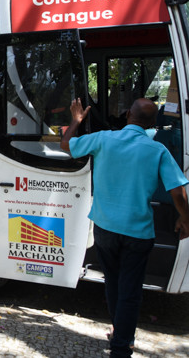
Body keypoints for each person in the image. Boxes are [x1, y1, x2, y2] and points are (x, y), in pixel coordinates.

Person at [61, 97, 189, 357]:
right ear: (153, 124)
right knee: (130, 289)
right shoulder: (157, 150)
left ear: (128, 114)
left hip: (105, 229)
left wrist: (76, 121)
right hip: (138, 233)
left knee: (113, 283)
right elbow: (177, 192)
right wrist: (185, 218)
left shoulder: (104, 138)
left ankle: (120, 332)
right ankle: (121, 345)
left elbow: (67, 146)